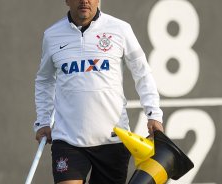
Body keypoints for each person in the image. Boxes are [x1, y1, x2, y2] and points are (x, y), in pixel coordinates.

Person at [33, 0, 164, 183]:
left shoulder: (120, 29)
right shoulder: (52, 35)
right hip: (68, 140)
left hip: (113, 140)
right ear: (67, 1)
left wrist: (154, 114)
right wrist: (43, 121)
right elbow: (44, 80)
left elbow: (142, 72)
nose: (84, 0)